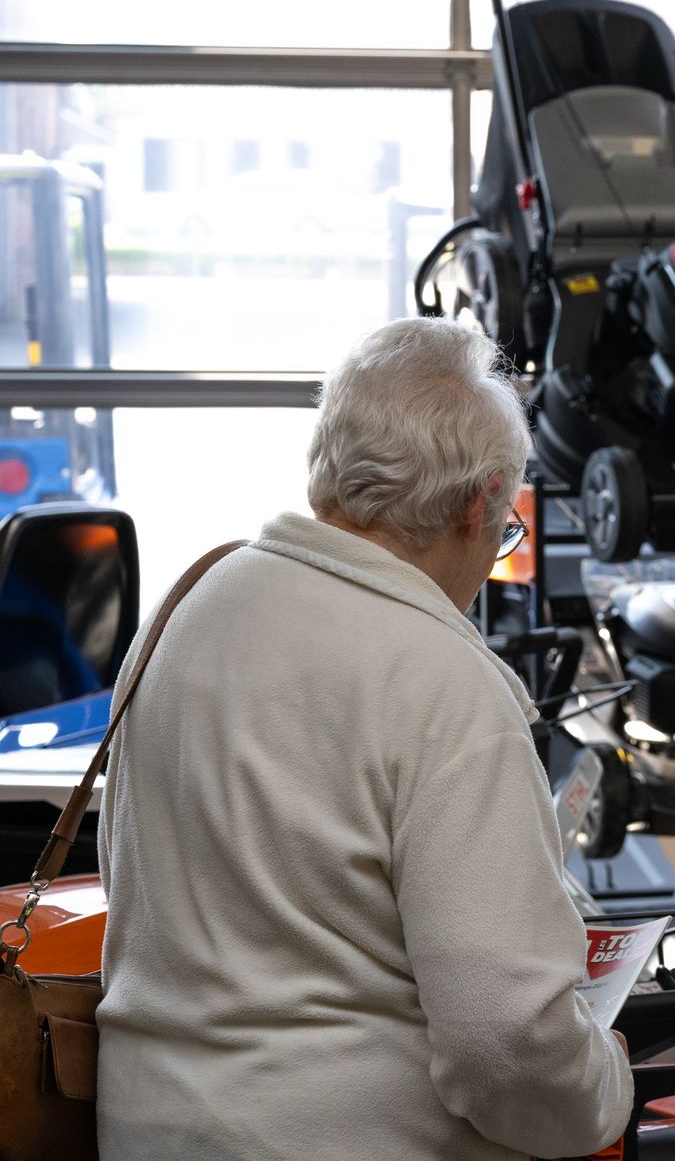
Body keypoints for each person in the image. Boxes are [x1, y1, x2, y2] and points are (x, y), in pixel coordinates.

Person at [96, 318, 632, 1161]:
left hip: (145, 1130)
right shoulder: (444, 685)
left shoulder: (185, 609)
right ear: (472, 503)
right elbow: (507, 1045)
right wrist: (603, 1084)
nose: (497, 551)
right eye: (506, 527)